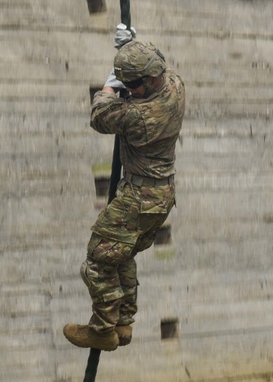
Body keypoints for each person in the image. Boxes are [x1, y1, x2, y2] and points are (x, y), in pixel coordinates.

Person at [63, 28, 186, 351]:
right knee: (121, 253)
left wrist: (110, 84)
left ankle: (103, 329)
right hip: (160, 196)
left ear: (138, 86)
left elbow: (101, 116)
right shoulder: (174, 85)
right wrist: (132, 46)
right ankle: (124, 322)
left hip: (139, 198)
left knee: (97, 261)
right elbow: (151, 65)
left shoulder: (140, 117)